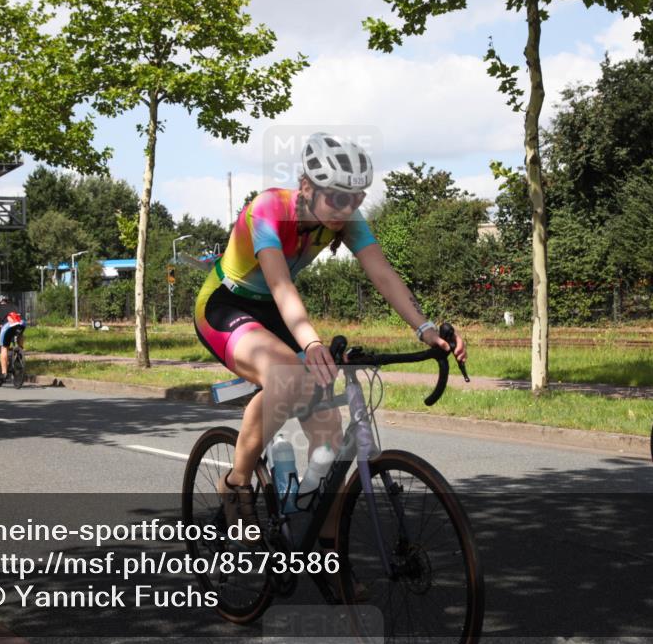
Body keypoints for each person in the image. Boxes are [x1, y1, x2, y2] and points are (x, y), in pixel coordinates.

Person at [193, 132, 467, 535]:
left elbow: (383, 274)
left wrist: (424, 328)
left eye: (356, 198)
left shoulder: (344, 221)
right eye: (338, 197)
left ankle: (327, 553)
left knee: (330, 432)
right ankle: (236, 483)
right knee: (286, 375)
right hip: (227, 305)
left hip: (275, 314)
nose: (348, 207)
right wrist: (312, 342)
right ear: (306, 186)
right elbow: (282, 285)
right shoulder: (268, 209)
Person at [0, 295, 26, 384]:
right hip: (21, 324)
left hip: (8, 326)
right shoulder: (14, 306)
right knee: (20, 333)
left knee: (4, 348)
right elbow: (19, 317)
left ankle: (4, 373)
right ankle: (19, 351)